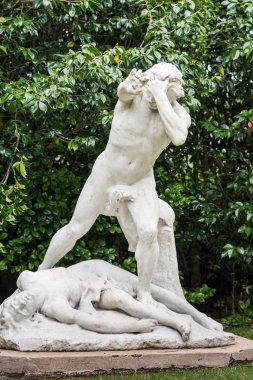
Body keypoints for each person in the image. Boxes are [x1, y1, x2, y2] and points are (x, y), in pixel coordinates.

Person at [38, 63, 191, 304]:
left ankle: (145, 293)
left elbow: (180, 137)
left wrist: (161, 96)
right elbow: (123, 91)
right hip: (107, 173)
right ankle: (41, 273)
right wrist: (137, 87)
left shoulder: (177, 114)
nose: (150, 99)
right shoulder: (133, 96)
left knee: (149, 232)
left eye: (160, 94)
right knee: (76, 228)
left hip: (140, 179)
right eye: (150, 92)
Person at [0, 260, 222, 340]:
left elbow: (8, 308)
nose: (19, 302)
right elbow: (95, 323)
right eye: (21, 308)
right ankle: (175, 322)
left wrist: (6, 314)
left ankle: (201, 317)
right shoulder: (54, 307)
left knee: (150, 289)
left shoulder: (25, 279)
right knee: (124, 301)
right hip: (93, 296)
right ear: (31, 314)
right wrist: (135, 326)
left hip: (91, 269)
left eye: (14, 302)